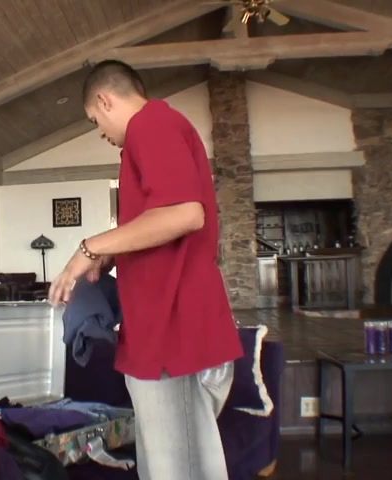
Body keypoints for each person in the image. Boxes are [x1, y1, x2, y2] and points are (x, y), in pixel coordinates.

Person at [47, 59, 244, 480]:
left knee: (180, 471)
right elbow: (161, 225)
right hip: (159, 333)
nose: (100, 132)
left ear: (105, 100)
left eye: (94, 120)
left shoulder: (150, 124)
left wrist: (89, 248)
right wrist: (111, 256)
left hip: (174, 330)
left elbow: (186, 213)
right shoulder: (149, 133)